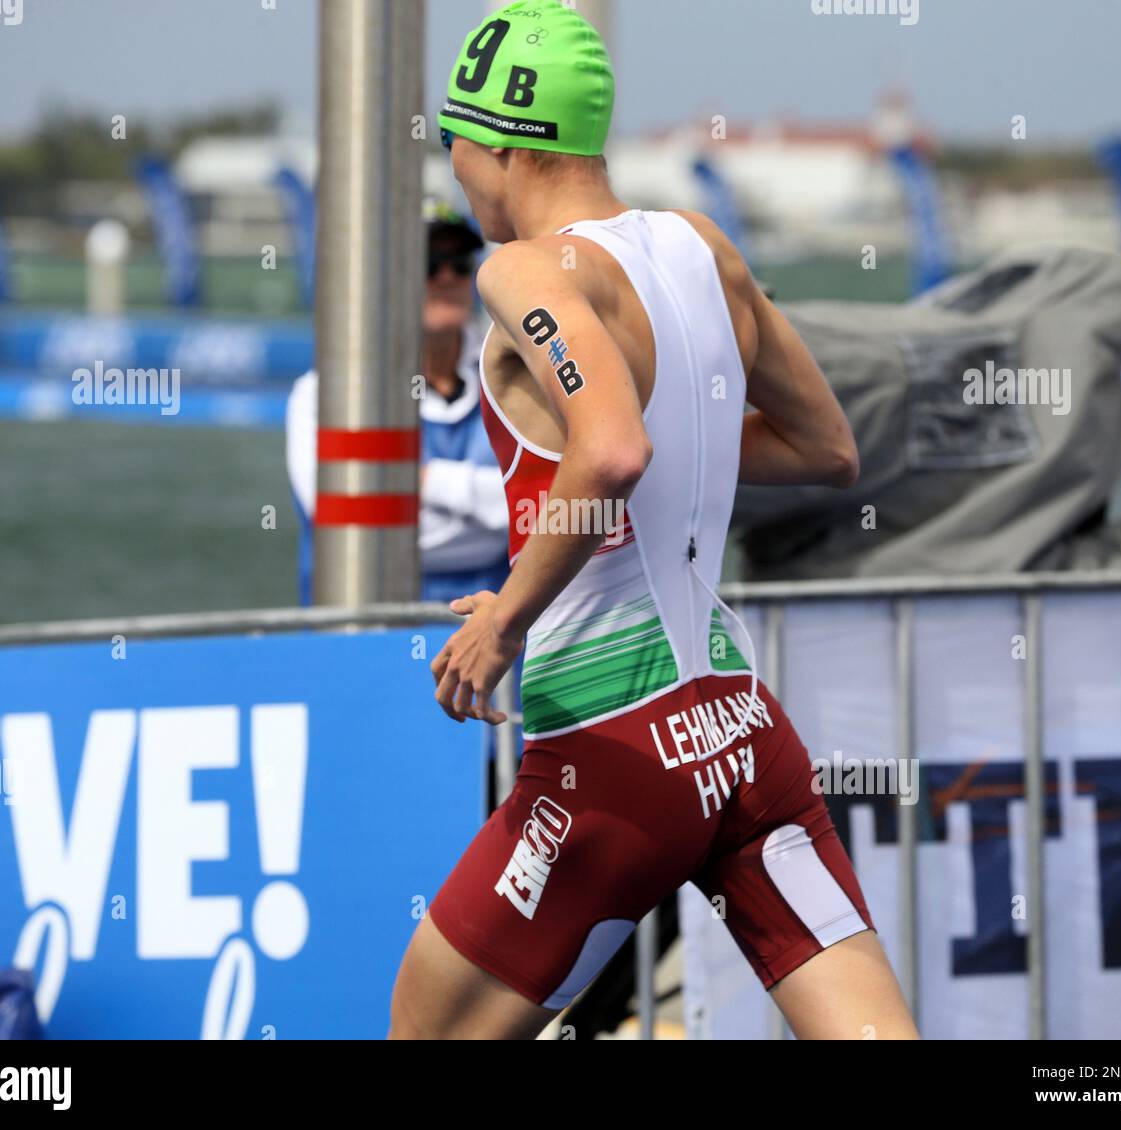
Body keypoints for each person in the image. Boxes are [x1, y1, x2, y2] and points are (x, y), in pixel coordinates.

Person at [390, 1, 919, 1041]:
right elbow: (825, 446)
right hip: (740, 737)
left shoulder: (522, 272)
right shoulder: (701, 247)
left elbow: (612, 450)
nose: (454, 168)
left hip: (611, 753)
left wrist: (505, 619)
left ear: (502, 140)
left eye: (454, 142)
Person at [284, 203, 509, 605]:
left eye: (460, 263)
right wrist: (487, 505)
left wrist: (425, 480)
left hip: (495, 648)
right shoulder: (322, 395)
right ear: (381, 279)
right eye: (428, 263)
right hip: (359, 639)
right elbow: (354, 526)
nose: (446, 278)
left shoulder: (516, 378)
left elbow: (543, 511)